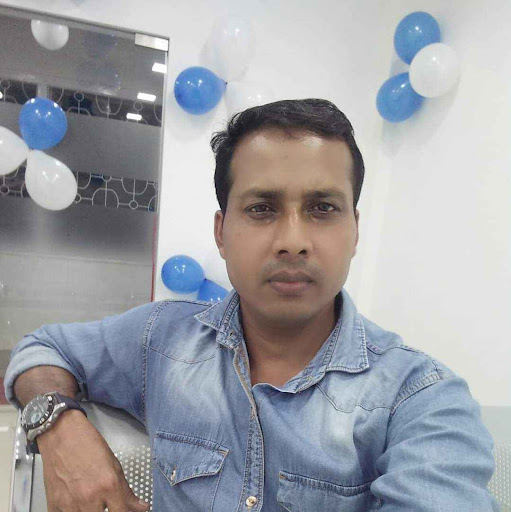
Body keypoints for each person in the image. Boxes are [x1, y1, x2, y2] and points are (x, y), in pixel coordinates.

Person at [4, 99, 498, 512]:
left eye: (323, 208)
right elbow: (42, 349)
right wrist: (60, 425)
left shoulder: (420, 399)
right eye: (262, 208)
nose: (292, 241)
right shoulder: (161, 340)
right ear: (221, 233)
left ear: (355, 231)